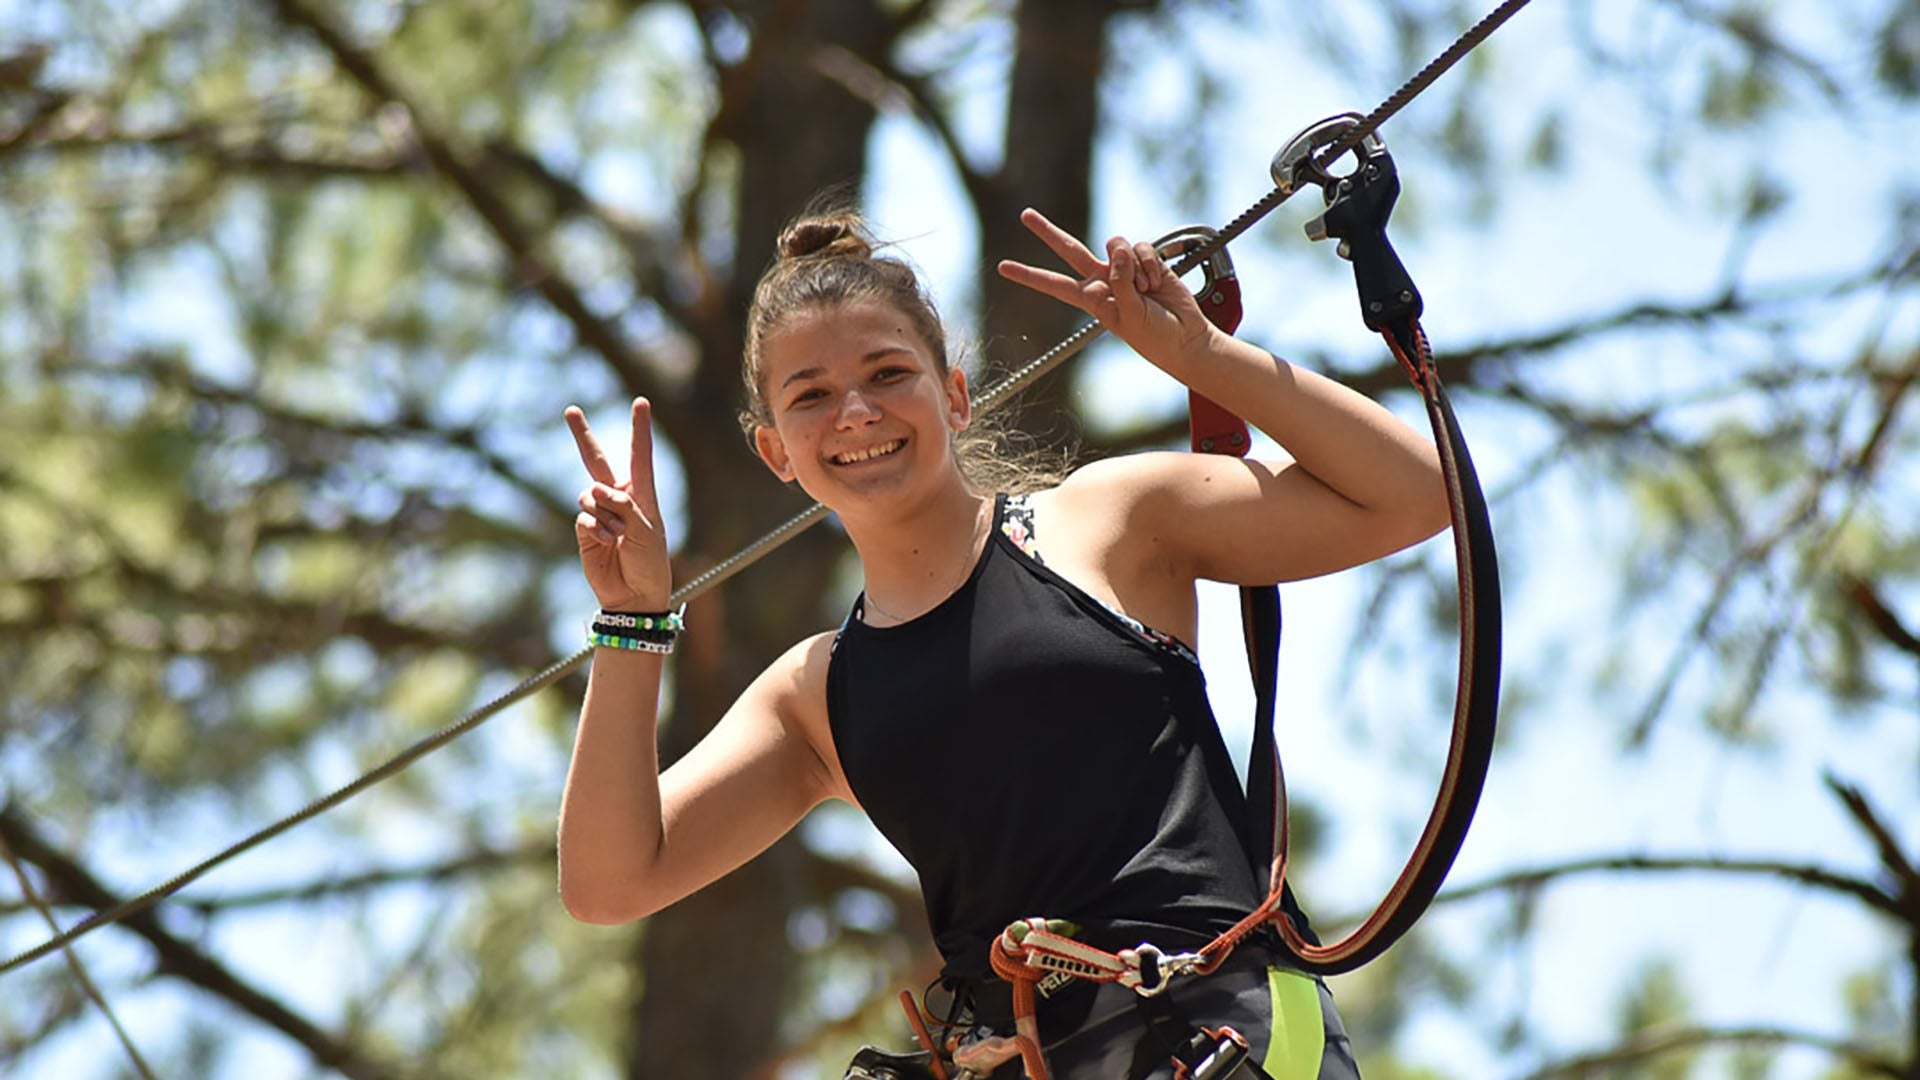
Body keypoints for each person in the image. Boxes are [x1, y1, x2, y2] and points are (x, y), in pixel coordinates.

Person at [557, 203, 1447, 1079]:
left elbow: (1417, 494)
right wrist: (633, 622)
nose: (856, 413)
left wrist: (1202, 356)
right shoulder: (817, 694)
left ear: (954, 394)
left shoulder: (1107, 523)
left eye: (888, 374)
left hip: (1225, 1036)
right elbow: (610, 881)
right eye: (812, 396)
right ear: (775, 451)